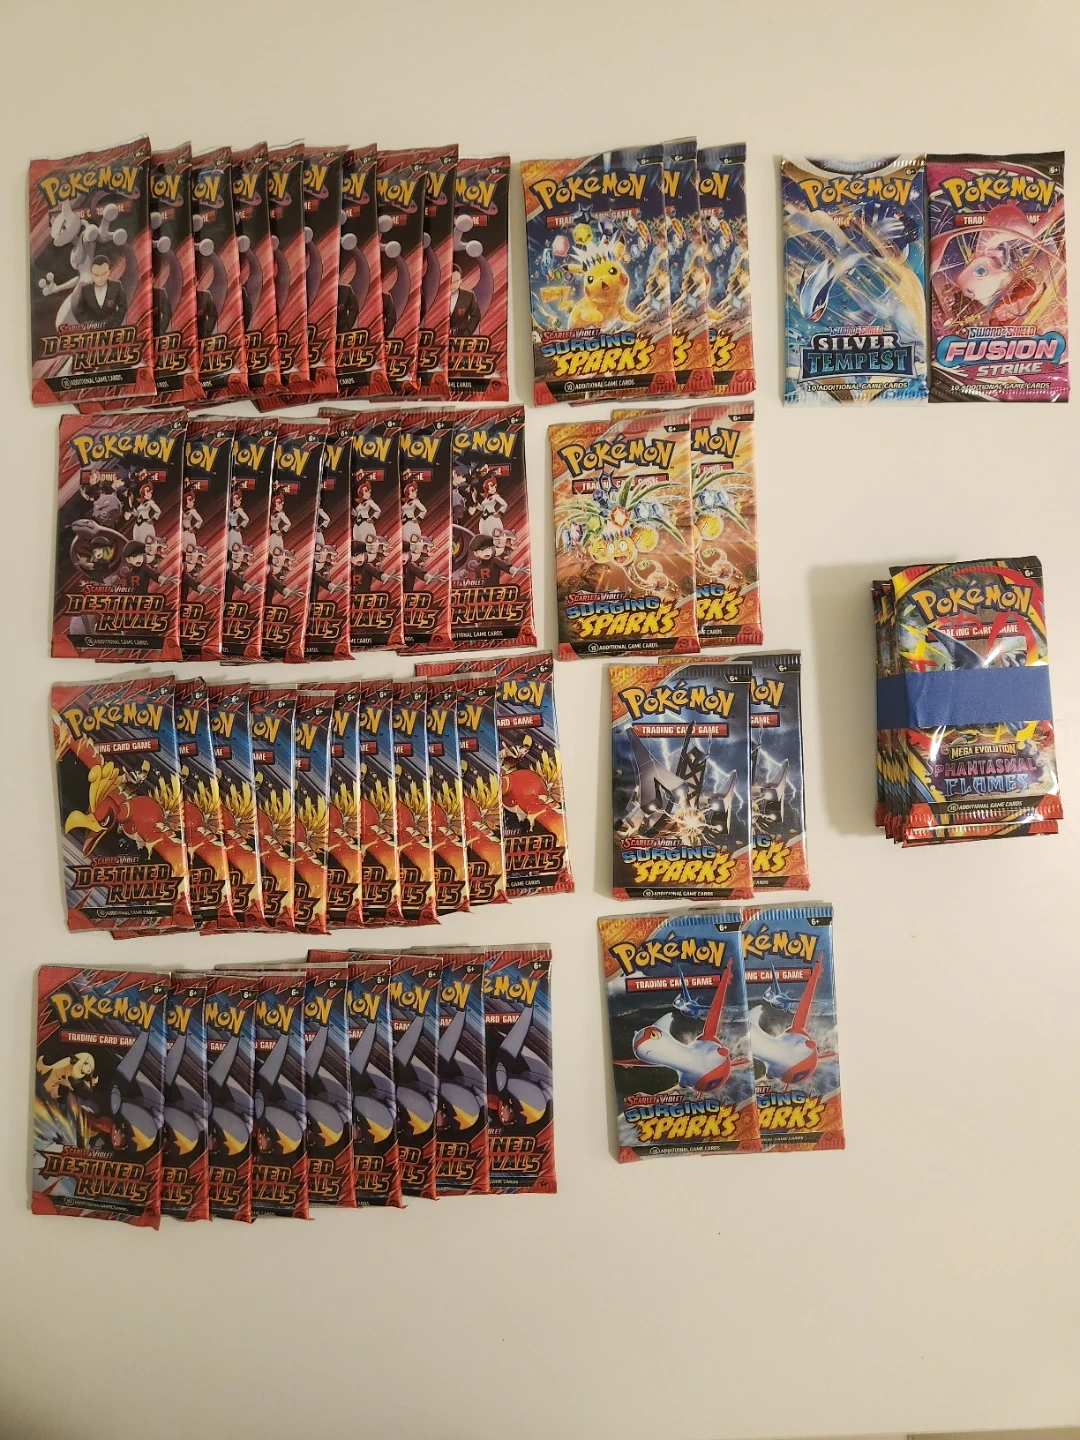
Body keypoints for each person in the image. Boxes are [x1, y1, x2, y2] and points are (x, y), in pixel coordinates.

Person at [72, 254, 127, 325]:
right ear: (92, 274)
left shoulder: (116, 286)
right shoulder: (85, 289)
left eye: (103, 274)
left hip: (112, 327)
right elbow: (79, 311)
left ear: (108, 272)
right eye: (96, 275)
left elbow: (123, 306)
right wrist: (88, 325)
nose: (100, 279)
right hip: (92, 329)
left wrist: (115, 323)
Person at [449, 264, 480, 336]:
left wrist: (467, 333)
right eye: (450, 282)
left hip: (462, 336)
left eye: (455, 281)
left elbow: (476, 316)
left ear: (461, 281)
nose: (452, 285)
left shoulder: (469, 295)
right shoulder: (437, 296)